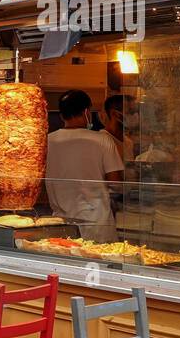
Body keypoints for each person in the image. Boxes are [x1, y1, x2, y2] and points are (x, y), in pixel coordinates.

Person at [44, 89, 124, 242]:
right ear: (87, 112)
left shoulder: (46, 142)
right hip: (97, 224)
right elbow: (116, 184)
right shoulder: (102, 140)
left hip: (61, 224)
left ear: (62, 115)